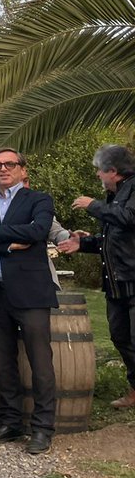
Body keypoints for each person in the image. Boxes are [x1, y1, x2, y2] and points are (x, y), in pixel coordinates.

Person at [0, 148, 57, 454]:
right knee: (3, 362)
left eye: (10, 164)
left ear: (22, 170)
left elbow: (39, 231)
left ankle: (42, 428)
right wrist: (8, 244)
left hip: (30, 294)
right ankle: (11, 422)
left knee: (40, 362)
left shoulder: (39, 200)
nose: (3, 169)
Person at [62, 145, 135, 408]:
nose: (97, 175)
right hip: (117, 281)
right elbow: (114, 239)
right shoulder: (112, 197)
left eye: (99, 170)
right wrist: (83, 243)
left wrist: (92, 205)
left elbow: (129, 218)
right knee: (120, 336)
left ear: (113, 171)